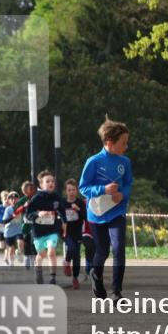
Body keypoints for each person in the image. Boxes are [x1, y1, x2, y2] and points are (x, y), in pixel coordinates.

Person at [79, 117, 133, 300]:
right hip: (97, 214)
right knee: (102, 251)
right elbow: (83, 188)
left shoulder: (125, 162)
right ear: (110, 142)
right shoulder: (93, 161)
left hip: (117, 211)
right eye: (123, 143)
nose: (126, 146)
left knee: (118, 249)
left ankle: (116, 291)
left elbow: (128, 184)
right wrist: (103, 190)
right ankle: (96, 275)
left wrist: (122, 195)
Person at [25, 170, 65, 285]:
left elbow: (62, 211)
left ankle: (53, 278)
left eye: (52, 181)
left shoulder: (56, 197)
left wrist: (64, 222)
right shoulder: (36, 198)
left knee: (51, 252)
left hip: (52, 230)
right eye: (47, 181)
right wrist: (38, 213)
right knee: (41, 254)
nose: (51, 183)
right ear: (41, 185)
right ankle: (38, 271)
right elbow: (28, 215)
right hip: (38, 232)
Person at [61, 179, 87, 289]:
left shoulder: (80, 203)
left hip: (77, 232)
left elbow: (85, 216)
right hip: (66, 231)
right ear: (66, 191)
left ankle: (75, 278)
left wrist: (78, 209)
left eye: (73, 190)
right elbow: (58, 215)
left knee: (77, 256)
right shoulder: (63, 203)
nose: (71, 192)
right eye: (69, 190)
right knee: (71, 248)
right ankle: (67, 262)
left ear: (77, 191)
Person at [1, 192, 22, 266]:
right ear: (9, 201)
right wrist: (12, 217)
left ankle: (19, 252)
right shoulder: (8, 209)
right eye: (12, 199)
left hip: (18, 230)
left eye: (15, 198)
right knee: (11, 249)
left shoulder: (21, 208)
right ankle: (11, 263)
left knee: (20, 242)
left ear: (18, 199)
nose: (14, 200)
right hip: (9, 232)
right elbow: (4, 221)